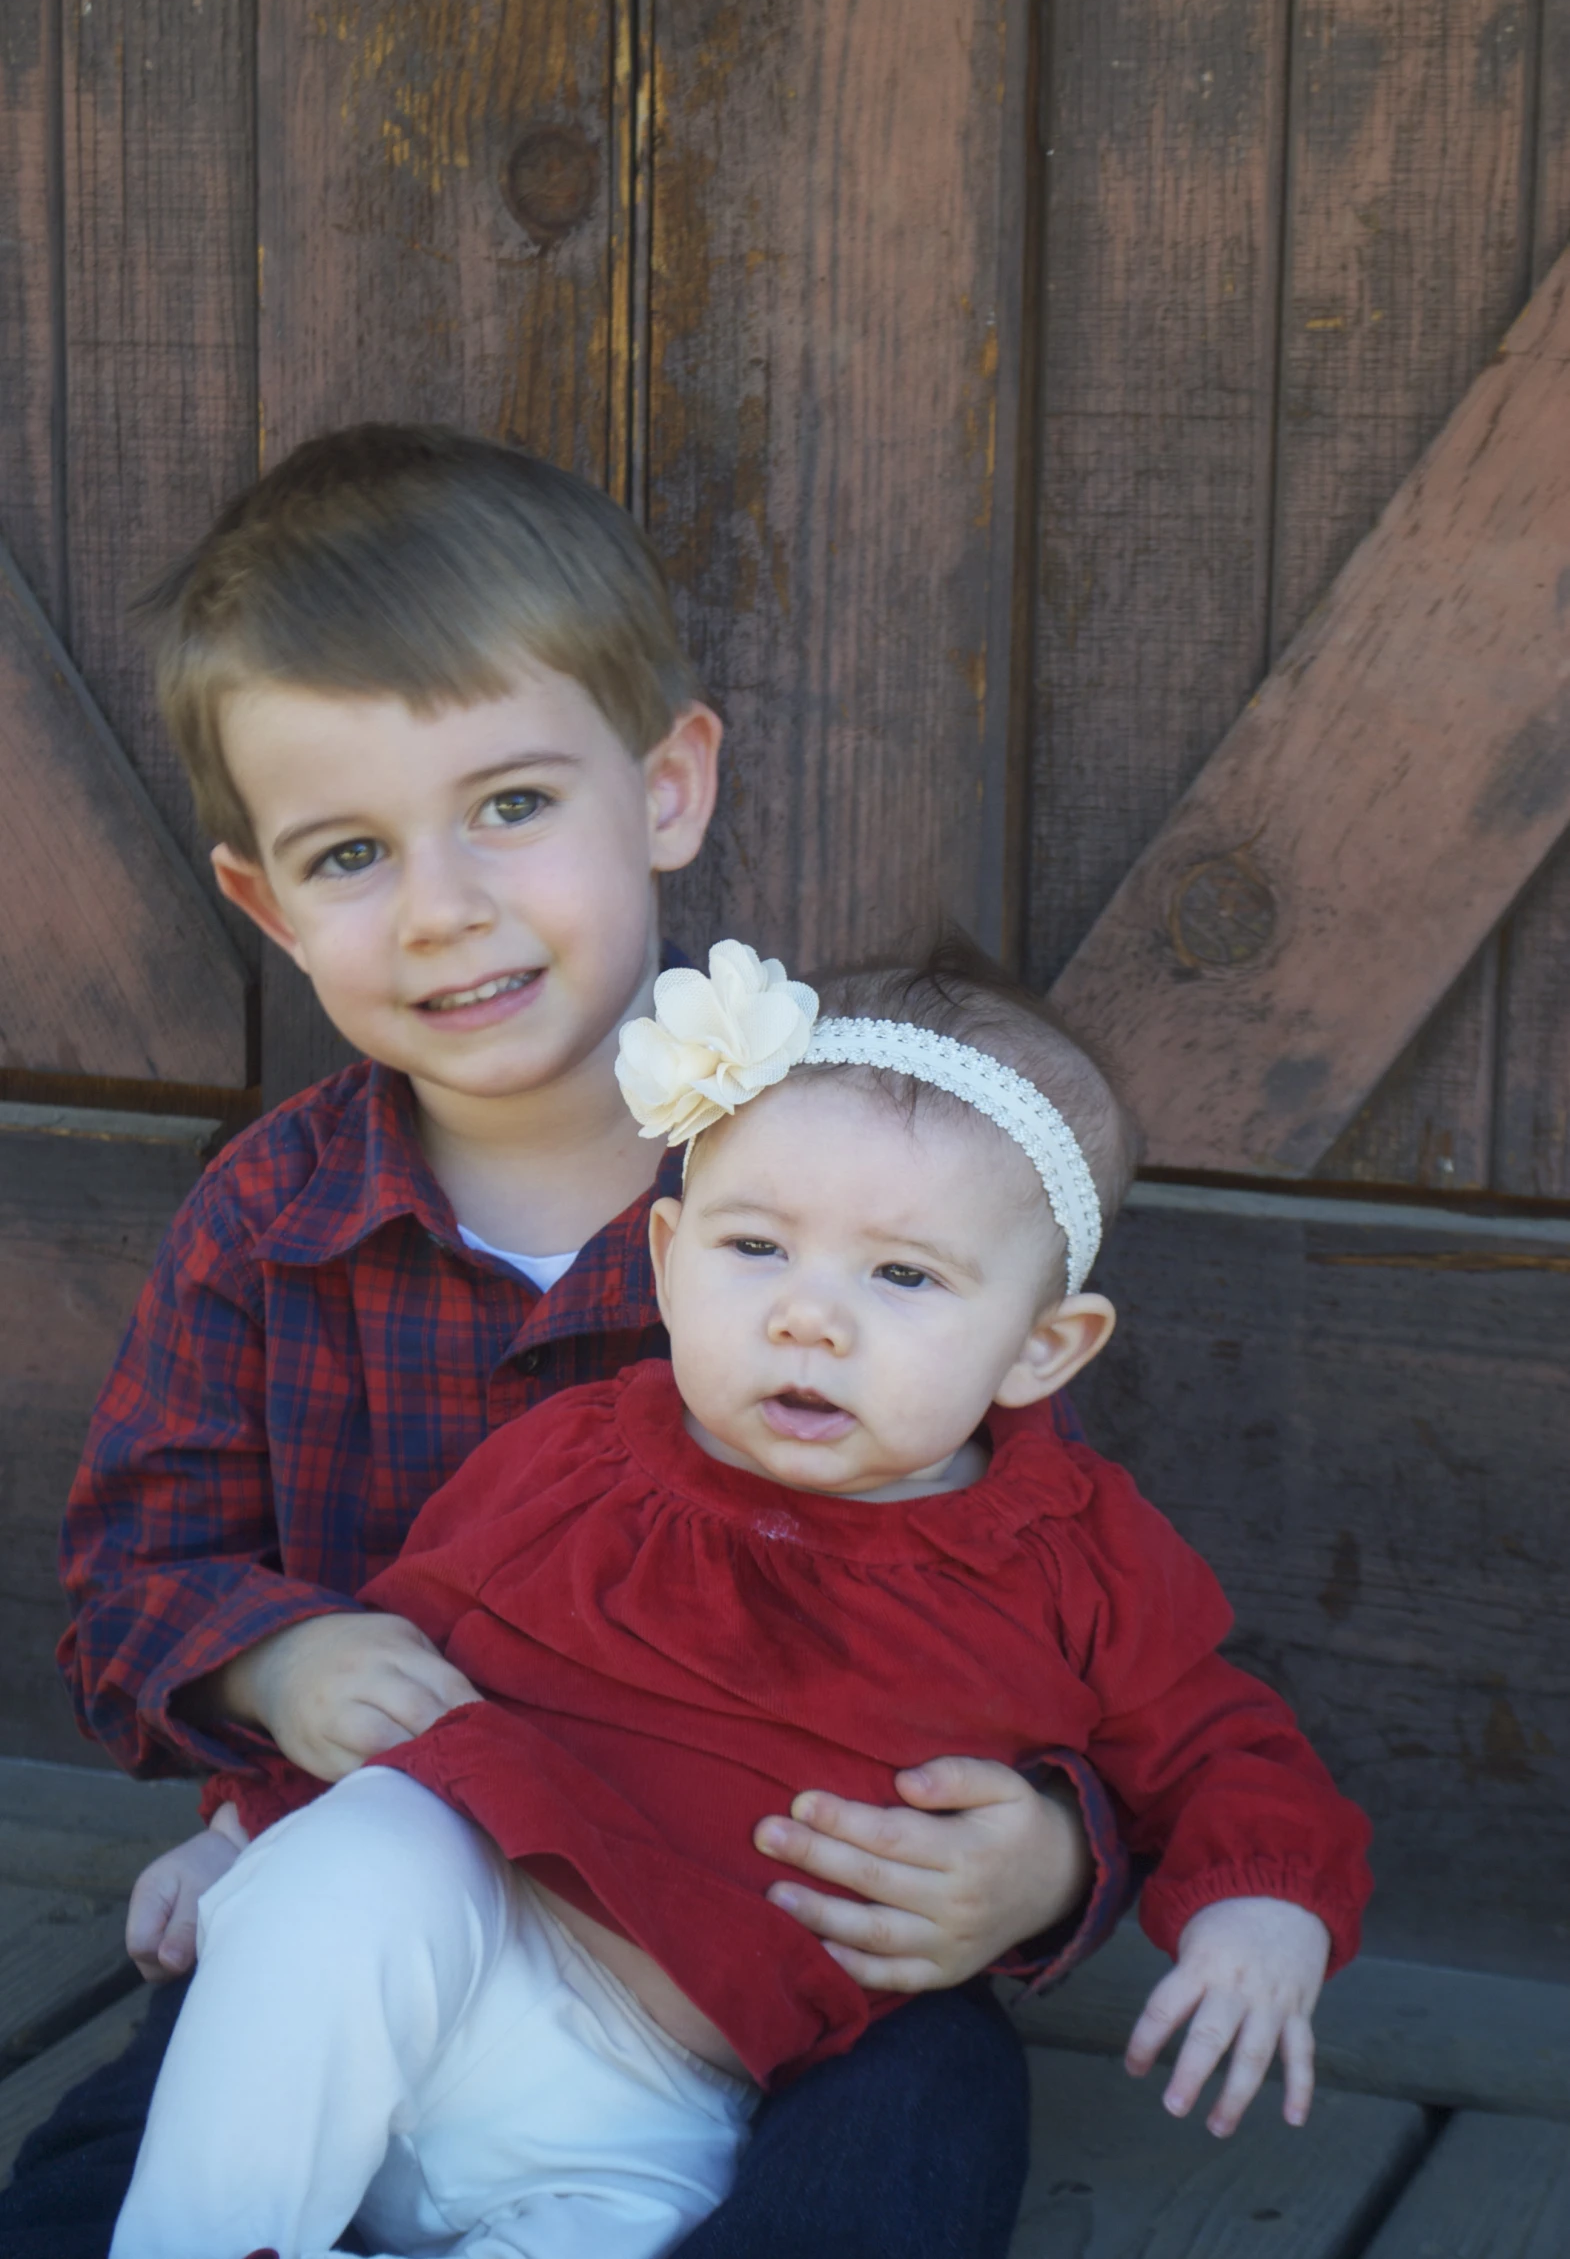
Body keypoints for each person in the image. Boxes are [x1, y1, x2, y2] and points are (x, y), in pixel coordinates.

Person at [2, 427, 1126, 2259]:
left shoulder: (853, 1188)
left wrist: (1047, 1857)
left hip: (748, 1958)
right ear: (268, 907)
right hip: (360, 1880)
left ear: (667, 789)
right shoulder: (266, 1224)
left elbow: (1056, 1587)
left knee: (918, 2133)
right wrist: (276, 1670)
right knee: (114, 2161)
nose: (442, 904)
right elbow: (132, 1572)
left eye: (510, 806)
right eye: (352, 853)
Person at [109, 938, 1372, 2259]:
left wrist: (1260, 1904)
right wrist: (244, 1829)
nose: (807, 1319)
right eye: (756, 1246)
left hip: (665, 2115)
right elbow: (395, 1673)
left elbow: (1219, 1746)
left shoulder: (1075, 1555)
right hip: (458, 1954)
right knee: (355, 1872)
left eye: (901, 1276)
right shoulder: (576, 1460)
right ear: (665, 1256)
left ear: (1040, 1347)